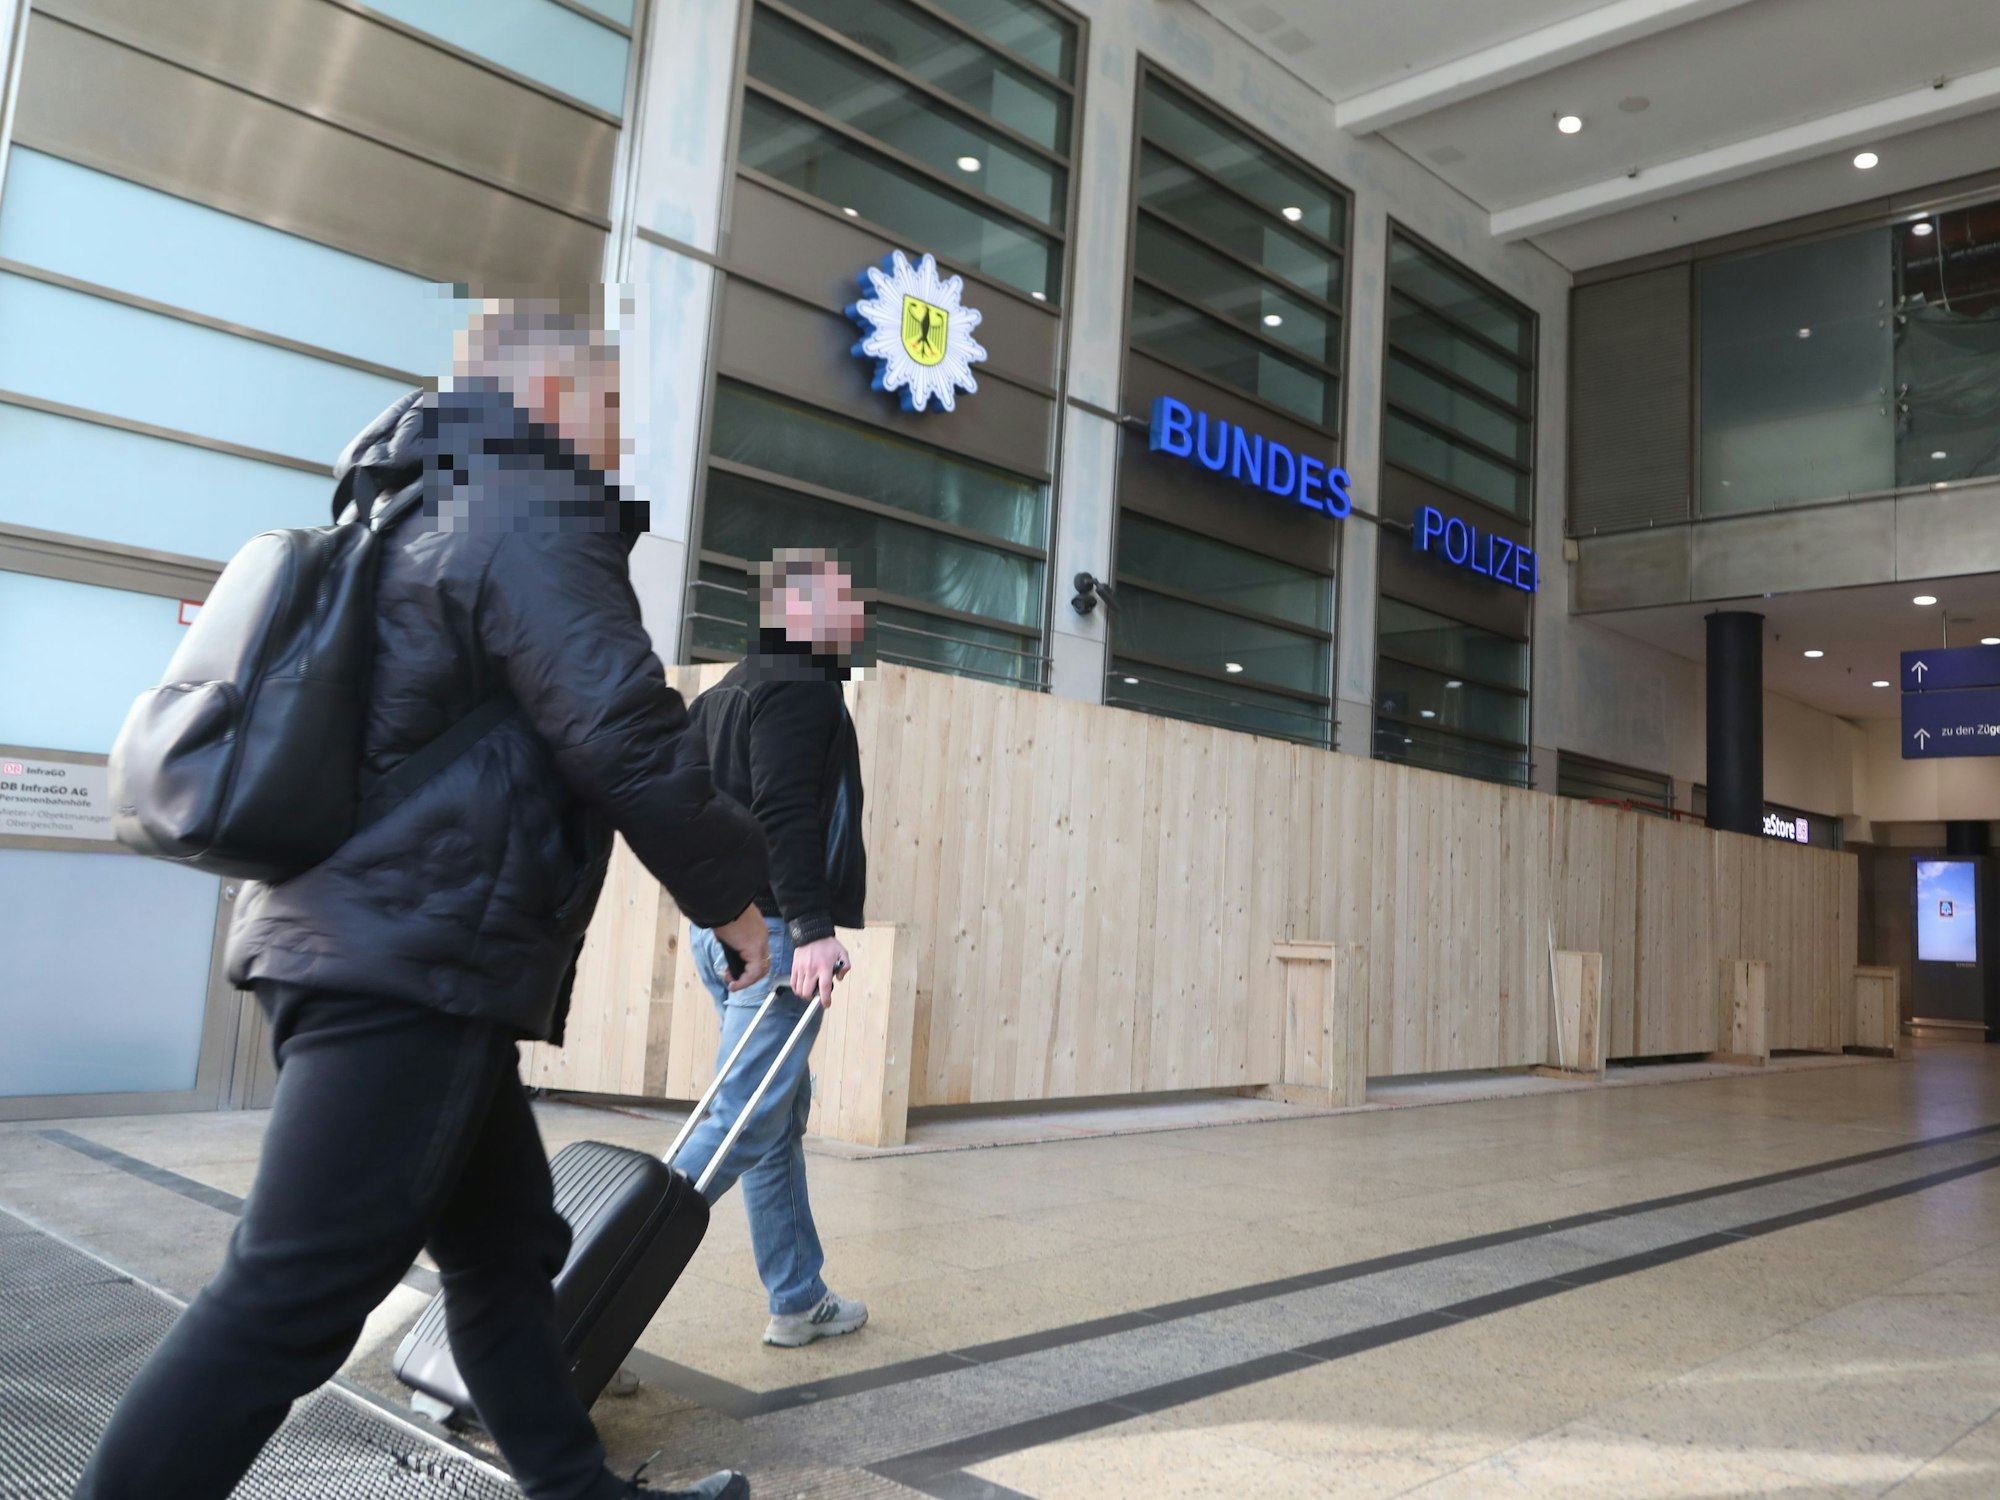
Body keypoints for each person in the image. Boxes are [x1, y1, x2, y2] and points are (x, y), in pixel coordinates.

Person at [77, 300, 772, 1500]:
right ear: (550, 397)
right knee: (288, 1296)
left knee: (505, 1255)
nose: (617, 438)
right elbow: (622, 727)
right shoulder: (529, 503)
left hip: (373, 939)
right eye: (608, 408)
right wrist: (737, 903)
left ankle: (574, 1488)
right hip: (412, 955)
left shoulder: (409, 505)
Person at [680, 549, 870, 1348]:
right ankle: (567, 1293)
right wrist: (814, 931)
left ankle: (797, 1295)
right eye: (841, 601)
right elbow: (788, 815)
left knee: (776, 1112)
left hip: (727, 933)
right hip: (782, 936)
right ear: (798, 612)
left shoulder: (723, 693)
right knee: (742, 1120)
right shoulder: (801, 689)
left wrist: (720, 921)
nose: (855, 617)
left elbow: (684, 821)